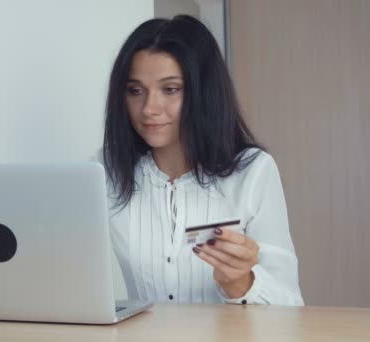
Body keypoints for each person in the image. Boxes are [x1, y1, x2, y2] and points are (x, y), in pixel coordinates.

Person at [102, 15, 304, 305]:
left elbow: (291, 305)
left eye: (170, 89)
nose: (149, 108)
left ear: (203, 92)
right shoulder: (104, 173)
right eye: (135, 91)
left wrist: (241, 283)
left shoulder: (253, 171)